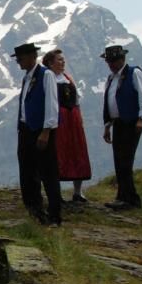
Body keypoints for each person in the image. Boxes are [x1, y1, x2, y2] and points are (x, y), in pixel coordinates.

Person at [12, 42, 63, 226]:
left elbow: (52, 104)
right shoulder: (27, 78)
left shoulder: (46, 75)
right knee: (27, 171)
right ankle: (34, 209)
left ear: (32, 57)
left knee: (48, 172)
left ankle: (54, 214)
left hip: (41, 130)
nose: (18, 62)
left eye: (21, 58)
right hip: (26, 129)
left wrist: (46, 130)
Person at [100, 45, 142, 210]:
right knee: (119, 158)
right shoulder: (111, 78)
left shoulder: (134, 73)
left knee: (125, 159)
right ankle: (123, 196)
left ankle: (130, 198)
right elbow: (109, 102)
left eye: (113, 61)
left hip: (131, 121)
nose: (111, 64)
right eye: (109, 61)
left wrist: (141, 118)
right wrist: (108, 124)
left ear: (122, 59)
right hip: (118, 122)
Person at [42, 49, 92, 203]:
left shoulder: (68, 78)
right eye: (59, 60)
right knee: (58, 154)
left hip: (73, 121)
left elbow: (76, 100)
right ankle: (57, 193)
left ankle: (78, 191)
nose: (63, 62)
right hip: (60, 120)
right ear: (50, 63)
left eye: (63, 59)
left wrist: (80, 118)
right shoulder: (48, 79)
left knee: (77, 152)